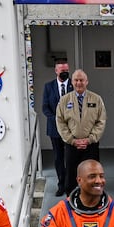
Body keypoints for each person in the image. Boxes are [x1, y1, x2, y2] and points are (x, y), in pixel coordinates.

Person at [56, 69, 106, 194]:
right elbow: (60, 122)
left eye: (81, 80)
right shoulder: (64, 100)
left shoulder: (96, 99)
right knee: (71, 177)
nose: (79, 83)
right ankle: (71, 203)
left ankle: (93, 202)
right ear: (72, 82)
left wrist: (90, 139)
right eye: (76, 80)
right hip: (71, 145)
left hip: (91, 146)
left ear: (86, 82)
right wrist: (72, 140)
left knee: (92, 176)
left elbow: (101, 121)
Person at [42, 59, 73, 196]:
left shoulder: (74, 84)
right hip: (55, 129)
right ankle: (61, 185)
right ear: (56, 71)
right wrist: (56, 119)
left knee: (71, 157)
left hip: (72, 129)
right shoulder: (48, 87)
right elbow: (45, 107)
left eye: (66, 70)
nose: (64, 72)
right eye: (62, 70)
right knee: (59, 158)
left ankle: (71, 185)